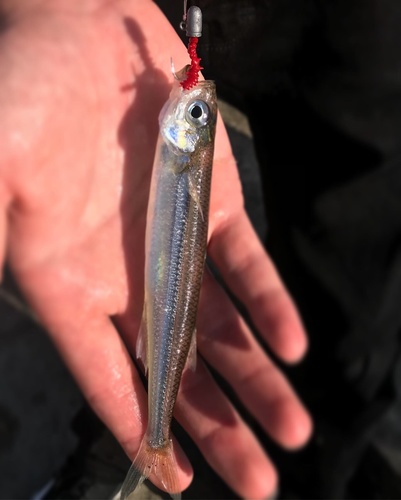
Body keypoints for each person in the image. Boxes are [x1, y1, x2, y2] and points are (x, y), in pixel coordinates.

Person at [0, 1, 312, 499]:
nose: (192, 103)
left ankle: (175, 445)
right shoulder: (178, 144)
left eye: (196, 113)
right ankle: (136, 447)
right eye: (198, 112)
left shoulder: (181, 150)